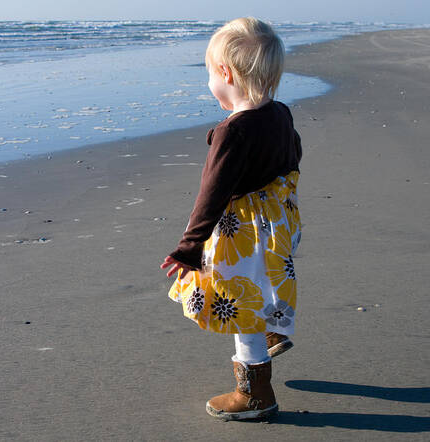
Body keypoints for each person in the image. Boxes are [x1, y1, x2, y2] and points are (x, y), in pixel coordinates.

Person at [160, 17, 302, 421]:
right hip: (280, 223)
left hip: (244, 234)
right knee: (265, 283)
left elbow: (212, 195)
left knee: (239, 304)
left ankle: (255, 396)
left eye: (210, 73)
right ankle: (273, 328)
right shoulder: (280, 113)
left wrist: (189, 247)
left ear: (225, 72)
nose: (210, 82)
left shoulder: (232, 132)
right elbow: (294, 155)